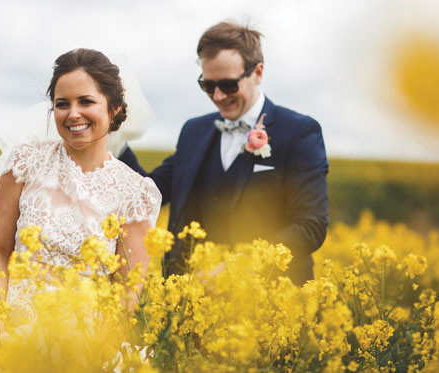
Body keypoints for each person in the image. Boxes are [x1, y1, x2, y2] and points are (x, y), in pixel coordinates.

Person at [0, 48, 162, 372]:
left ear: (113, 108)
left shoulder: (135, 192)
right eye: (62, 103)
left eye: (86, 102)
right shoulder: (25, 161)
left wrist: (90, 351)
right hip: (11, 334)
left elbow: (127, 293)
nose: (73, 113)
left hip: (88, 344)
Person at [120, 21, 328, 285]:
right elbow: (149, 192)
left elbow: (311, 227)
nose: (218, 96)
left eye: (229, 85)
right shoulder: (193, 131)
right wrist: (115, 139)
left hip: (269, 303)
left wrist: (239, 268)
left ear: (258, 73)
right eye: (208, 86)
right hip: (190, 304)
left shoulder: (298, 132)